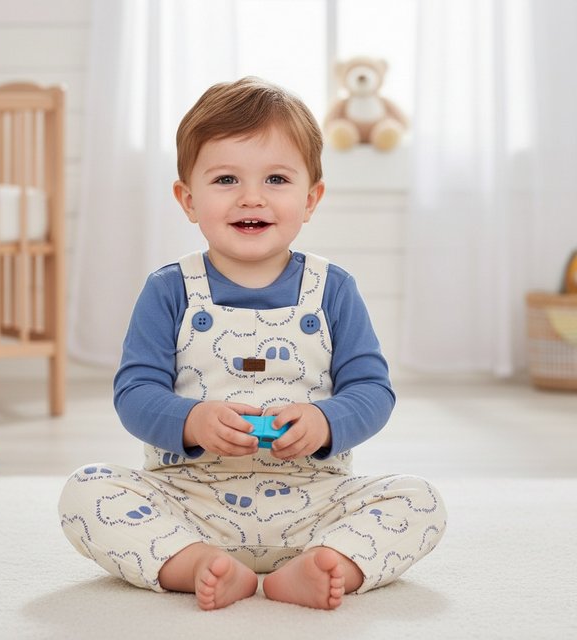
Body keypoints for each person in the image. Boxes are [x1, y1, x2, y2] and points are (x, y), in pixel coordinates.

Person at [58, 77, 446, 611]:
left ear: (310, 199)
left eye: (276, 179)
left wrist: (325, 421)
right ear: (188, 199)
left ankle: (324, 562)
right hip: (190, 501)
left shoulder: (333, 290)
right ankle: (195, 562)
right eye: (226, 179)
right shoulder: (168, 289)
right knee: (85, 491)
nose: (252, 197)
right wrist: (193, 421)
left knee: (420, 500)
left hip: (315, 503)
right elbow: (135, 393)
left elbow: (372, 392)